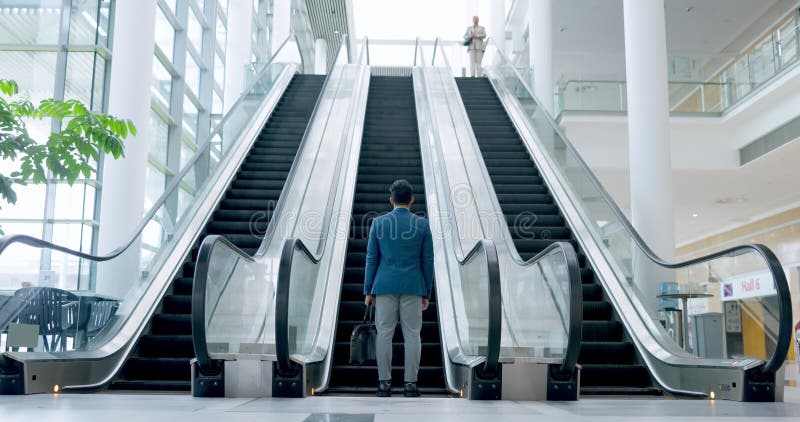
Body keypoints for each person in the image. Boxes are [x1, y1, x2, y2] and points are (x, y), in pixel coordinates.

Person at [363, 179, 434, 398]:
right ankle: (410, 385)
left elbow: (372, 258)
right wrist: (426, 291)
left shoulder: (378, 223)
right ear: (411, 199)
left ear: (391, 199)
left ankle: (384, 384)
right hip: (413, 285)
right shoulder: (422, 225)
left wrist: (369, 290)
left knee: (384, 333)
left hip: (384, 285)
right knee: (412, 334)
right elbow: (428, 261)